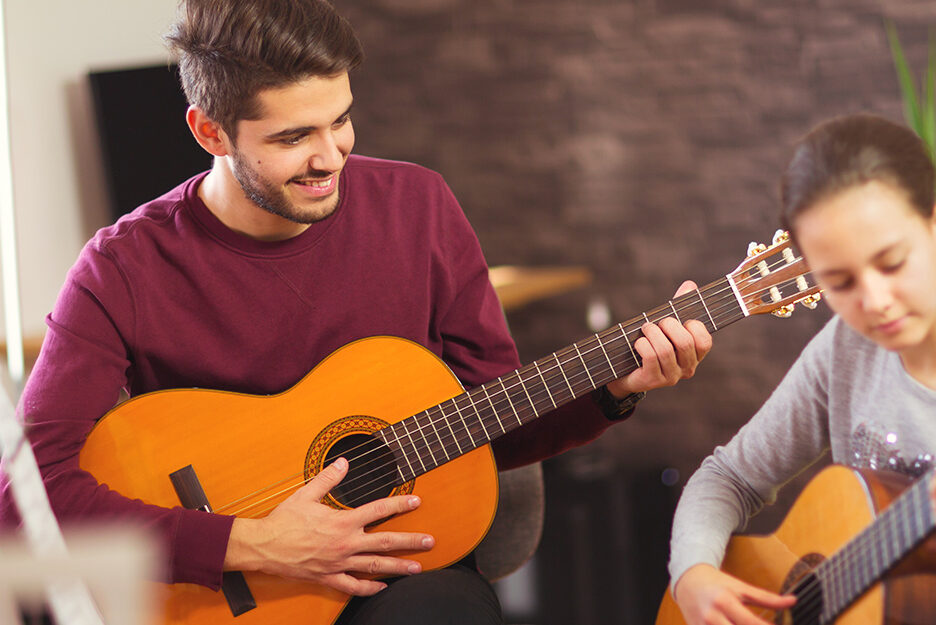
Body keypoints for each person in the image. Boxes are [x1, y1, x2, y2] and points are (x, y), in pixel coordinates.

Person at [0, 1, 712, 623]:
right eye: (292, 137)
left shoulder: (418, 207)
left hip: (401, 575)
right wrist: (254, 543)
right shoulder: (120, 267)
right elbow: (21, 500)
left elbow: (494, 423)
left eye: (340, 120)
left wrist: (615, 388)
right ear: (210, 132)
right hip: (226, 592)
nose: (330, 157)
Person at [668, 111, 936, 625]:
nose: (874, 301)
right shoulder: (846, 348)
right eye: (840, 282)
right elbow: (728, 477)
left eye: (892, 262)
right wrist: (693, 573)